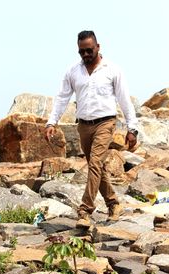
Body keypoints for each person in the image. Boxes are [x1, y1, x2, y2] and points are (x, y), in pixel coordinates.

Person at [45, 30, 138, 228]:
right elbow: (62, 97)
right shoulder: (73, 71)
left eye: (89, 50)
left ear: (98, 47)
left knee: (95, 164)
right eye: (81, 52)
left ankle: (85, 210)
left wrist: (133, 128)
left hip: (105, 123)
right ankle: (113, 203)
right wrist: (51, 122)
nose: (85, 55)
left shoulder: (112, 70)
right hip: (84, 126)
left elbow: (124, 99)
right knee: (98, 167)